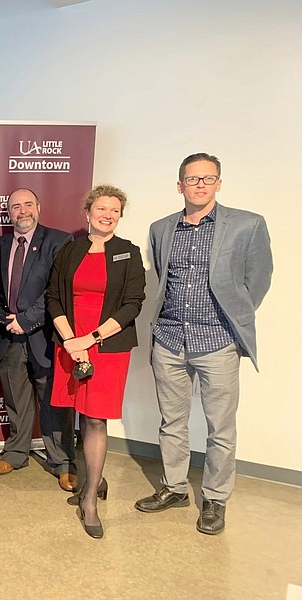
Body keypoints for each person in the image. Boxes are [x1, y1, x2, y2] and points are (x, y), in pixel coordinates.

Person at [135, 153, 273, 535]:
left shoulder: (247, 224)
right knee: (172, 422)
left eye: (207, 179)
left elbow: (258, 279)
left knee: (221, 428)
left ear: (218, 183)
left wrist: (233, 318)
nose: (199, 185)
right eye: (192, 179)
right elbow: (163, 277)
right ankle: (175, 488)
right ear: (179, 185)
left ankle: (214, 498)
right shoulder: (161, 228)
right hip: (169, 338)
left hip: (217, 341)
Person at [46, 185, 145, 538]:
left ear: (119, 216)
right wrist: (70, 339)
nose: (107, 214)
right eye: (101, 208)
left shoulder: (128, 253)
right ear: (87, 213)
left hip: (107, 343)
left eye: (114, 210)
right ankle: (93, 478)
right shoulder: (70, 250)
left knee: (96, 420)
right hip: (71, 340)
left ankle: (90, 498)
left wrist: (90, 338)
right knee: (75, 414)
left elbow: (134, 303)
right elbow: (54, 297)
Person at [0, 188, 78, 492]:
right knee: (16, 400)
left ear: (38, 207)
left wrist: (27, 321)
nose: (22, 211)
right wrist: (8, 321)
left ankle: (63, 463)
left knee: (53, 403)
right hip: (7, 336)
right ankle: (15, 454)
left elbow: (58, 290)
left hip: (45, 337)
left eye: (28, 205)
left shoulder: (59, 242)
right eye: (15, 207)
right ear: (8, 212)